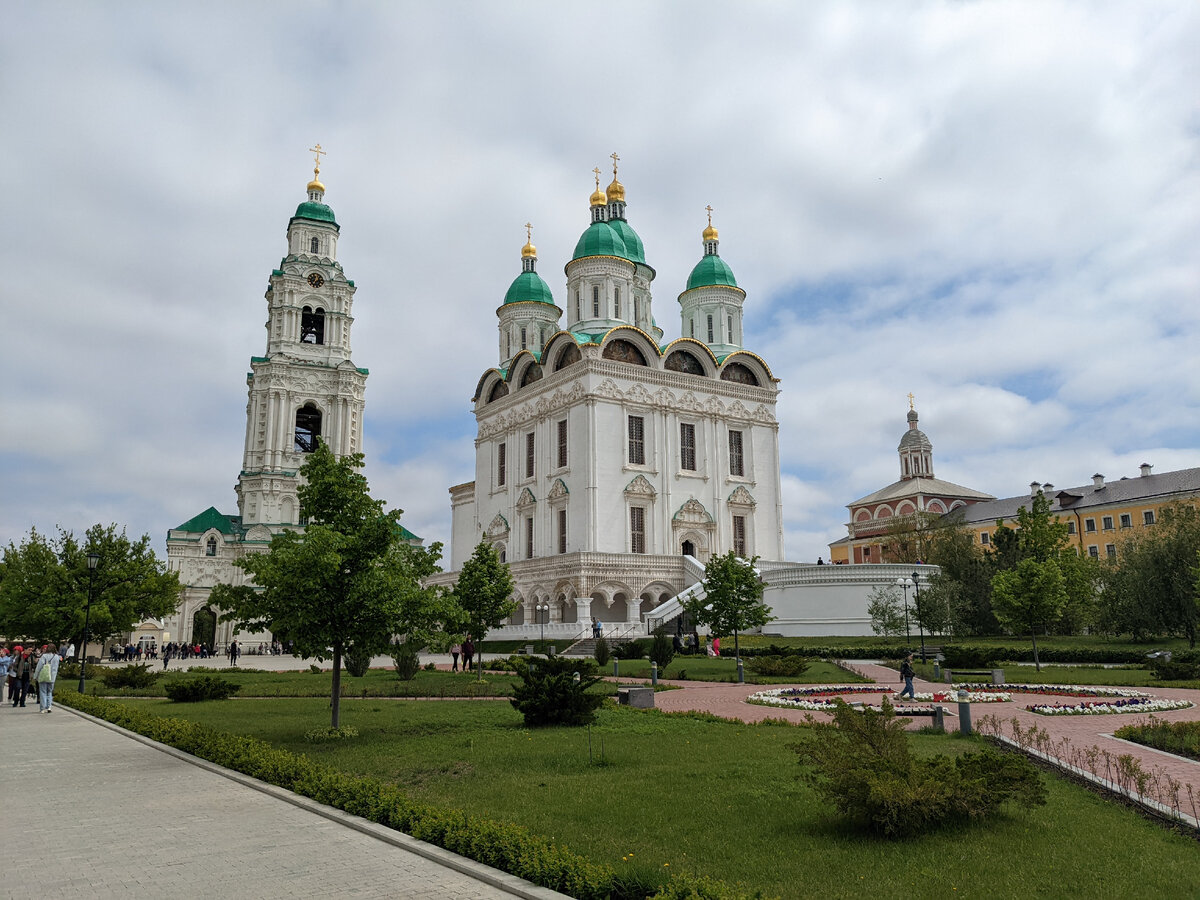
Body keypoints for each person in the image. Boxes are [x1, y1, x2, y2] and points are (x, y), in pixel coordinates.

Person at [34, 645, 60, 713]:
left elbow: (39, 667)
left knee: (43, 692)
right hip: (52, 677)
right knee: (49, 692)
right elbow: (56, 667)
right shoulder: (56, 657)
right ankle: (49, 707)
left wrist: (35, 676)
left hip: (44, 676)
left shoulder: (44, 656)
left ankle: (42, 708)